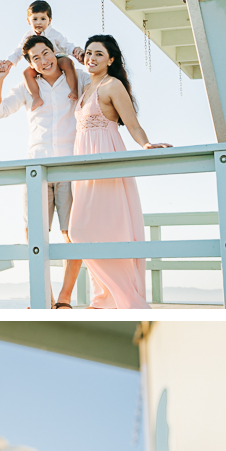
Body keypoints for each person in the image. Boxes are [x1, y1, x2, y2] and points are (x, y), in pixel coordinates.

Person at [60, 34, 172, 310]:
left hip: (106, 160)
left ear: (111, 59)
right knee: (81, 230)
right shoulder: (86, 88)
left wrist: (145, 143)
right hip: (83, 166)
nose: (91, 58)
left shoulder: (113, 85)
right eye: (88, 53)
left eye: (98, 54)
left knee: (104, 229)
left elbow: (132, 124)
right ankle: (105, 297)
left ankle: (121, 297)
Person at [0, 34, 89, 308]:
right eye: (36, 58)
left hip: (70, 166)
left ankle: (65, 297)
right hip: (37, 168)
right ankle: (43, 296)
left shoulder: (77, 78)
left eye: (46, 53)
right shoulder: (26, 86)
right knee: (34, 233)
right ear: (30, 64)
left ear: (54, 51)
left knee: (73, 233)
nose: (44, 60)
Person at [0, 0, 84, 110]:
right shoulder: (28, 36)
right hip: (39, 62)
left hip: (57, 58)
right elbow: (19, 50)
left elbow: (66, 46)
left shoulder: (55, 34)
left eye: (43, 19)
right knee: (26, 73)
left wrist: (75, 51)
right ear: (29, 21)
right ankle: (36, 97)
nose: (39, 22)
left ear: (49, 20)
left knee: (67, 62)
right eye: (35, 19)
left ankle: (74, 90)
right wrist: (9, 62)